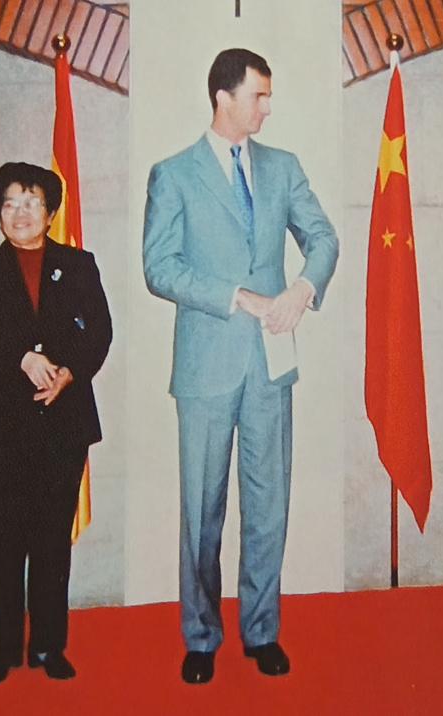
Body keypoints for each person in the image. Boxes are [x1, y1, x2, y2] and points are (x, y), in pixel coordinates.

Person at [142, 48, 339, 684]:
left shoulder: (284, 167)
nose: (268, 107)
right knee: (201, 510)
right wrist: (236, 296)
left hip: (270, 363)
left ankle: (261, 631)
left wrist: (302, 289)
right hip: (205, 364)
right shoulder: (173, 174)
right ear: (223, 97)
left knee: (269, 505)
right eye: (259, 95)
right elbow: (159, 268)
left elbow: (323, 237)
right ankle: (201, 636)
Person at [0, 162, 111, 685]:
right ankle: (2, 651)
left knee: (51, 543)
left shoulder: (79, 265)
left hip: (62, 425)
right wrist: (20, 358)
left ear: (51, 211)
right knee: (0, 542)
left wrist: (69, 372)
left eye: (33, 202)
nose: (21, 213)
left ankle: (48, 646)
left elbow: (99, 333)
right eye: (10, 203)